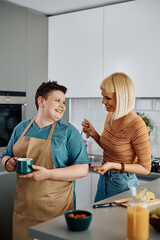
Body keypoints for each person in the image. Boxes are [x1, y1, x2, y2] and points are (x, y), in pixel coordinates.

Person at [2, 81, 90, 240]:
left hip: (55, 212)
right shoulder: (21, 128)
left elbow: (83, 168)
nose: (62, 106)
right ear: (41, 101)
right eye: (57, 100)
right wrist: (8, 162)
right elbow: (6, 155)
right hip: (23, 211)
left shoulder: (69, 132)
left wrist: (48, 174)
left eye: (63, 102)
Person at [82, 72, 151, 202]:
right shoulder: (111, 115)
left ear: (121, 98)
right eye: (103, 97)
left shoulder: (137, 125)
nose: (103, 102)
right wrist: (94, 134)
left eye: (108, 98)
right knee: (100, 220)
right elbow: (110, 148)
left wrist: (114, 165)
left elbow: (146, 168)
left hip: (123, 183)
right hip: (104, 179)